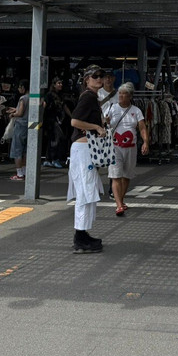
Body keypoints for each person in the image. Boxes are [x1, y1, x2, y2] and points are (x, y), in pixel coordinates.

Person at [68, 64, 107, 253]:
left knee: (87, 190)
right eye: (95, 76)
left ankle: (82, 234)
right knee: (85, 191)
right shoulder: (89, 97)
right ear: (87, 79)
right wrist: (97, 127)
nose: (99, 79)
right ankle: (80, 237)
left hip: (85, 148)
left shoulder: (92, 97)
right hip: (83, 148)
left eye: (101, 75)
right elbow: (74, 121)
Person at [105, 82, 149, 216]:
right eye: (120, 93)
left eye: (124, 94)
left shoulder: (136, 110)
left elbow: (142, 127)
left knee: (127, 175)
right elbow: (104, 121)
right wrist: (105, 121)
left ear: (130, 96)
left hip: (131, 147)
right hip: (115, 147)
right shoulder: (112, 108)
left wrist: (145, 142)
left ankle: (121, 200)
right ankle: (118, 205)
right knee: (115, 175)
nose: (121, 96)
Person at [42, 76, 73, 169]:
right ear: (54, 85)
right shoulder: (49, 95)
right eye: (58, 83)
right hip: (51, 120)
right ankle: (53, 159)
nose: (61, 85)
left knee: (56, 139)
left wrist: (72, 116)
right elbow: (44, 105)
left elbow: (64, 106)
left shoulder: (61, 95)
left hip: (59, 119)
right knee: (56, 138)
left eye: (61, 83)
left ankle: (49, 159)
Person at [7, 80, 29, 182]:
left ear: (24, 88)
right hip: (29, 126)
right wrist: (15, 110)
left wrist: (12, 114)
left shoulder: (22, 98)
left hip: (20, 126)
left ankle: (19, 174)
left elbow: (20, 113)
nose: (19, 89)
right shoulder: (33, 97)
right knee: (25, 151)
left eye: (20, 87)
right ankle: (24, 172)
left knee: (17, 150)